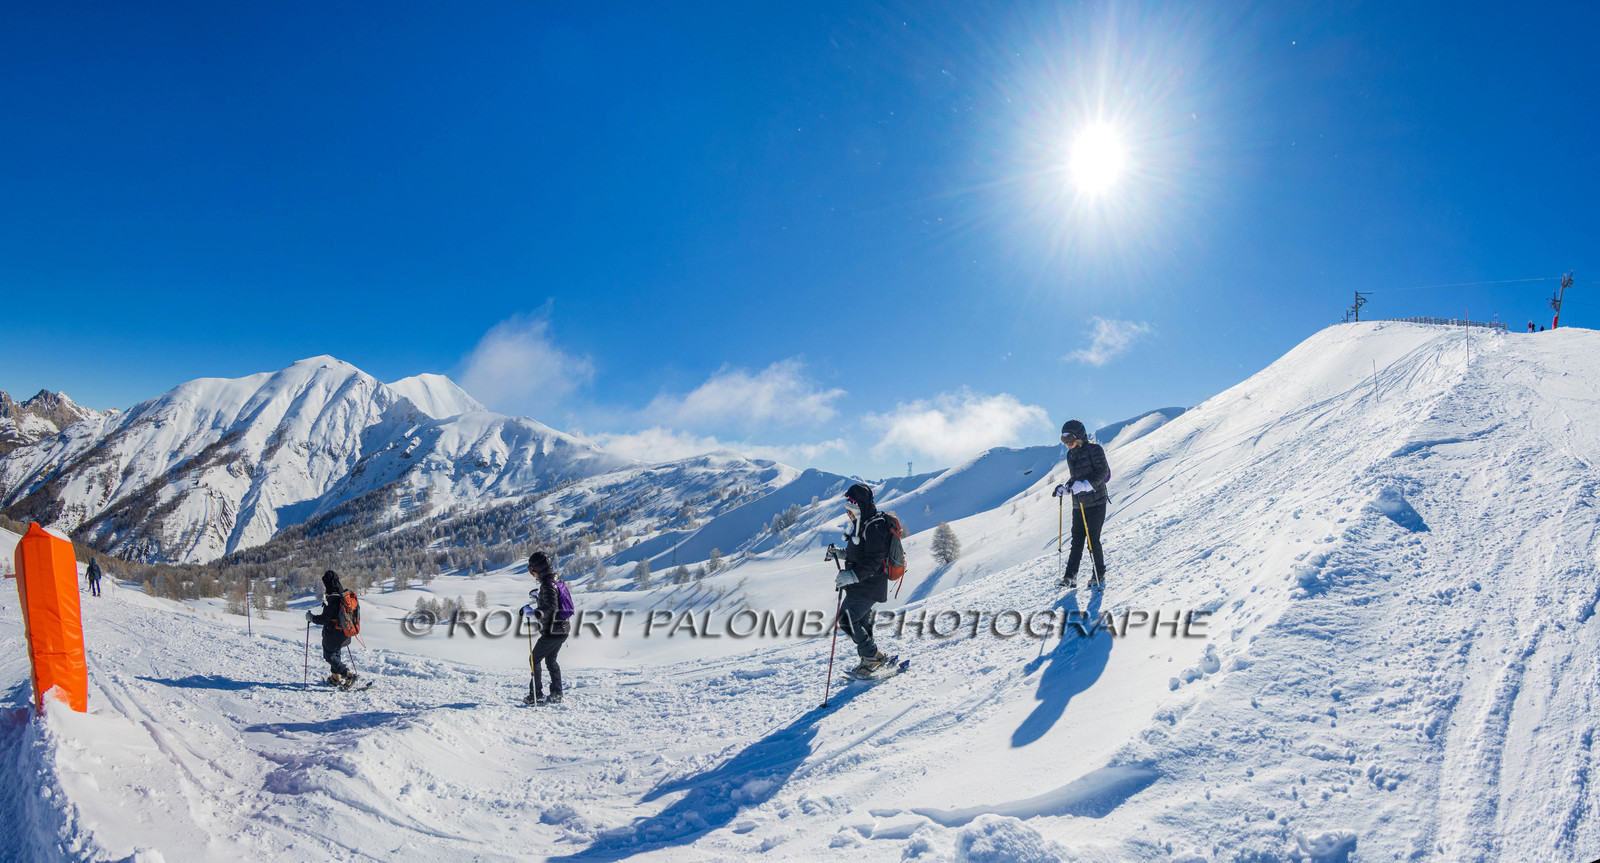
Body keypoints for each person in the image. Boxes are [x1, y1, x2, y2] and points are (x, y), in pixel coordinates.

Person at [827, 483, 893, 676]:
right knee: (860, 623)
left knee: (847, 620)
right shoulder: (861, 522)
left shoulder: (874, 526)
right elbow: (859, 553)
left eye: (850, 509)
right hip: (860, 586)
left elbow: (874, 560)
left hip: (869, 586)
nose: (848, 513)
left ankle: (872, 657)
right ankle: (871, 659)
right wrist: (839, 553)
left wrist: (852, 575)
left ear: (859, 507)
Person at [1052, 419, 1110, 589]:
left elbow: (1102, 472)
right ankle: (1070, 577)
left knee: (1093, 540)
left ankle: (1098, 574)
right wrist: (1067, 488)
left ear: (1079, 436)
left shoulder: (1095, 450)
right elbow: (1075, 478)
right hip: (1079, 505)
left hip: (1097, 502)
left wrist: (1086, 485)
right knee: (1076, 541)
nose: (1067, 443)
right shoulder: (1070, 455)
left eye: (1069, 439)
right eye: (1064, 440)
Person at [519, 552, 569, 705]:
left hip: (552, 631)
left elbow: (551, 609)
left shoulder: (547, 584)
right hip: (563, 629)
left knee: (534, 659)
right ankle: (556, 693)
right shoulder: (556, 580)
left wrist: (532, 613)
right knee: (550, 659)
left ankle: (536, 695)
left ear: (538, 570)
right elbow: (554, 601)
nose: (532, 574)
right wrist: (538, 596)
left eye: (532, 571)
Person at [306, 570, 356, 687]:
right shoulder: (343, 595)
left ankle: (347, 674)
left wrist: (311, 618)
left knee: (329, 656)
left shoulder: (334, 599)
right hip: (344, 632)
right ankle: (335, 677)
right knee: (335, 654)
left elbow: (325, 619)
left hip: (333, 633)